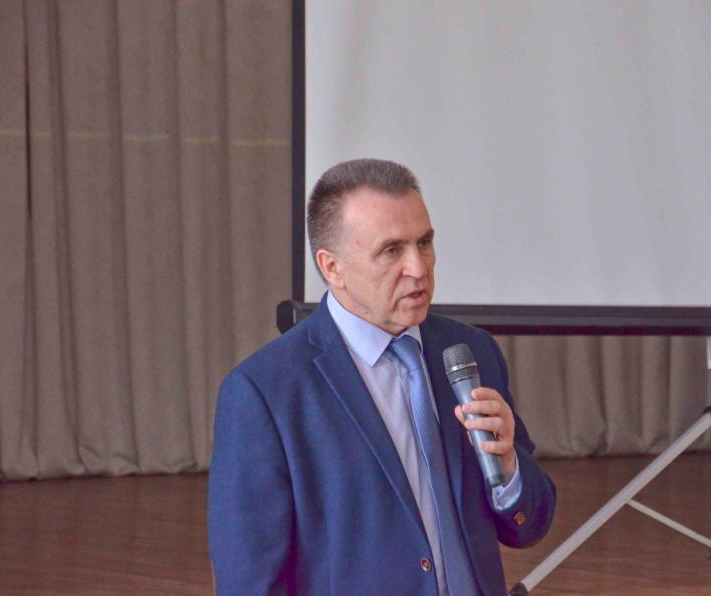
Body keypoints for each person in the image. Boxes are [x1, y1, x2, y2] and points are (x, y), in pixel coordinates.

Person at [208, 158, 556, 595]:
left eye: (424, 243)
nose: (419, 267)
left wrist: (508, 469)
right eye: (392, 251)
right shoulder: (265, 393)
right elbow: (248, 583)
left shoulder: (469, 353)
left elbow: (529, 525)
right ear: (331, 267)